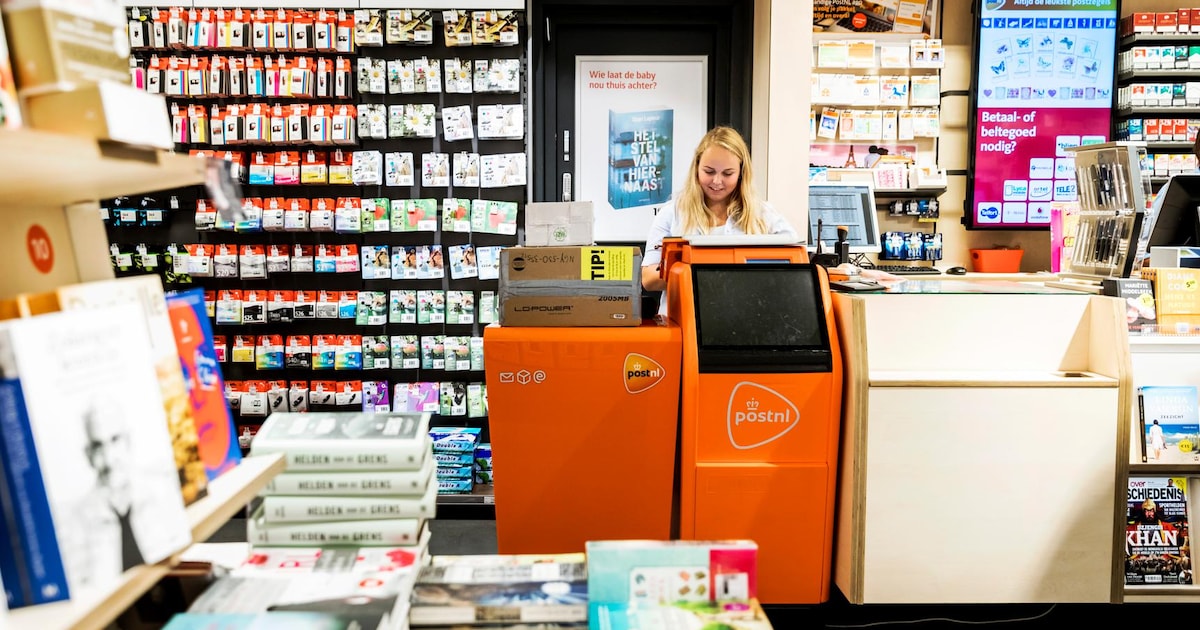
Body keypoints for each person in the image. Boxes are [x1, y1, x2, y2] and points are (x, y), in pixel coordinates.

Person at [641, 126, 797, 315]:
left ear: (741, 173)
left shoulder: (763, 215)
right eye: (709, 171)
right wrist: (701, 271)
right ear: (696, 168)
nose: (716, 181)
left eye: (727, 174)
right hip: (682, 323)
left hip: (746, 321)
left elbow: (794, 266)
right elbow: (648, 279)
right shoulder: (671, 213)